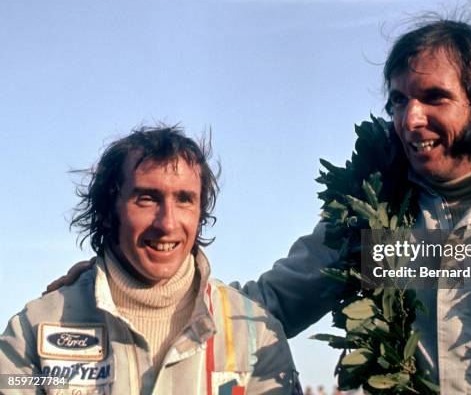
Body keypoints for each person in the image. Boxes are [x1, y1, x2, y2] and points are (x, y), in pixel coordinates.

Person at [43, 15, 471, 393]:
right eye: (398, 100)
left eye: (434, 98)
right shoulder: (365, 223)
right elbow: (266, 307)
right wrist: (131, 286)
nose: (409, 119)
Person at [0, 127, 299, 394]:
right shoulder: (35, 329)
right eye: (147, 199)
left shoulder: (256, 334)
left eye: (184, 199)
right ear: (107, 211)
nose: (167, 224)